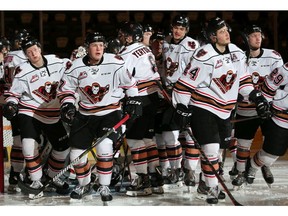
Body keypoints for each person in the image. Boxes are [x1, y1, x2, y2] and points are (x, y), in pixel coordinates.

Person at [171, 17, 270, 204]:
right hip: (203, 107)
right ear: (212, 37)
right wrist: (181, 107)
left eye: (226, 30)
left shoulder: (237, 53)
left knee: (217, 154)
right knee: (211, 151)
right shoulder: (203, 56)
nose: (227, 33)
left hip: (226, 110)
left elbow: (244, 81)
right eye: (222, 31)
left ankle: (205, 182)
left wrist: (256, 97)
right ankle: (212, 188)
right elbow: (184, 85)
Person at [57, 31, 141, 201]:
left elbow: (130, 83)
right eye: (95, 45)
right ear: (87, 47)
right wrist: (67, 104)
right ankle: (85, 183)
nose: (99, 49)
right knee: (76, 155)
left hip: (110, 112)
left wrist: (134, 100)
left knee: (104, 148)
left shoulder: (115, 62)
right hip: (85, 113)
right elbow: (66, 89)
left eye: (101, 45)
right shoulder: (75, 66)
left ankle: (104, 186)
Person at [2, 36, 71, 198]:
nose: (33, 53)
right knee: (27, 145)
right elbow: (14, 93)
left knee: (63, 148)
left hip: (53, 113)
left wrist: (79, 57)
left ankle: (51, 176)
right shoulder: (22, 70)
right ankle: (36, 180)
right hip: (30, 110)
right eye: (29, 52)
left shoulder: (57, 61)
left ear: (40, 49)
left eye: (34, 49)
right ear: (26, 55)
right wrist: (11, 104)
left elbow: (75, 68)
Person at [231, 24, 284, 187]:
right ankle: (240, 172)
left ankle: (264, 165)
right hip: (245, 109)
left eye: (259, 35)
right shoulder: (238, 57)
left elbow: (282, 84)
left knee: (272, 142)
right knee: (243, 145)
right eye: (253, 35)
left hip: (268, 110)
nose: (258, 38)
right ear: (246, 38)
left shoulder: (274, 56)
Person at [117, 21, 164, 196]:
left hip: (139, 98)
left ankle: (143, 181)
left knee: (135, 140)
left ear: (130, 36)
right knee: (147, 138)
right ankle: (155, 177)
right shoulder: (146, 49)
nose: (121, 37)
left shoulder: (127, 53)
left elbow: (124, 78)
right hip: (152, 97)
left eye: (123, 34)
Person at [157, 14, 200, 189]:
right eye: (175, 27)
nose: (177, 31)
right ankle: (176, 169)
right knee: (169, 135)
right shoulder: (166, 42)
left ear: (186, 30)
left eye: (181, 28)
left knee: (190, 134)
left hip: (187, 93)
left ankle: (190, 170)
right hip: (169, 93)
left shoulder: (192, 45)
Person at [245, 62, 288, 187]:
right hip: (282, 118)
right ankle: (252, 166)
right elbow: (268, 87)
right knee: (269, 155)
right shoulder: (285, 69)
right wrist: (265, 106)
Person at [2, 29, 31, 193]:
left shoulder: (8, 56)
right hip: (21, 99)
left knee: (18, 139)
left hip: (10, 99)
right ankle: (23, 172)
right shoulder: (22, 56)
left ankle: (16, 172)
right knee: (27, 140)